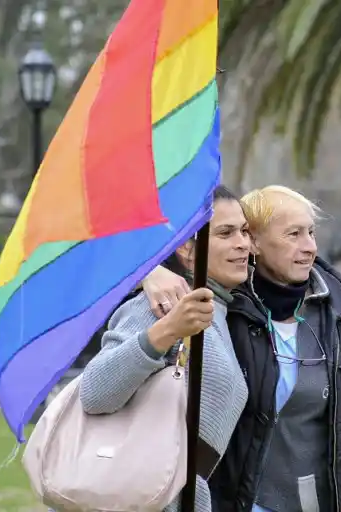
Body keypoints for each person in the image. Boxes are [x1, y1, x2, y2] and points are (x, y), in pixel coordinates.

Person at [142, 185, 341, 512]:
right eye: (294, 234)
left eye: (311, 232)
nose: (310, 247)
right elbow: (156, 270)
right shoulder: (222, 308)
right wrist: (148, 273)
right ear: (253, 241)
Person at [78, 185, 252, 512]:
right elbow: (94, 392)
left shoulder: (220, 311)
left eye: (244, 231)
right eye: (226, 233)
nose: (243, 243)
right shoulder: (160, 303)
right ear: (187, 248)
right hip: (131, 499)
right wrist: (168, 329)